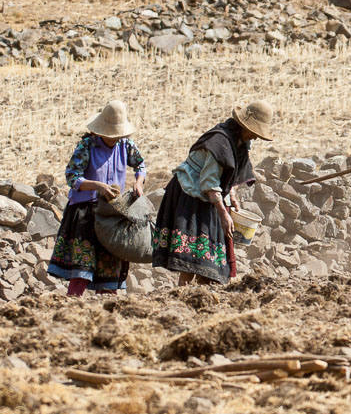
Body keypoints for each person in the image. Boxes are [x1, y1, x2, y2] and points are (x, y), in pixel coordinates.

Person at [152, 101, 274, 285]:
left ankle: (202, 297)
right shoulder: (219, 142)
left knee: (209, 260)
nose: (256, 138)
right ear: (243, 125)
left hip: (208, 196)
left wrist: (232, 196)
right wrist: (224, 214)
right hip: (190, 194)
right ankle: (180, 295)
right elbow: (209, 181)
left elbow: (229, 174)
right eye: (254, 133)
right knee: (190, 256)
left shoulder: (240, 143)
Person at [48, 100, 146, 296]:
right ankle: (71, 304)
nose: (115, 138)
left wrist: (138, 182)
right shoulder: (87, 145)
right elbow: (72, 177)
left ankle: (108, 312)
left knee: (110, 264)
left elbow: (140, 166)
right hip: (86, 212)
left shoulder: (126, 145)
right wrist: (98, 186)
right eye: (111, 135)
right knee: (83, 265)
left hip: (111, 213)